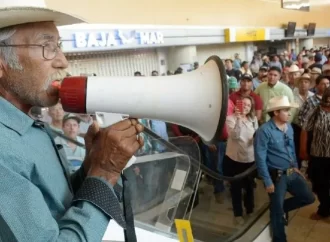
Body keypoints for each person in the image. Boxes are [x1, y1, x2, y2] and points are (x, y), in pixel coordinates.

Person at [0, 2, 144, 241]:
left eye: (59, 46)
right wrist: (105, 172)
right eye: (47, 47)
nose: (63, 62)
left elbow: (58, 204)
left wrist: (92, 165)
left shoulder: (30, 127)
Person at [254, 96, 315, 242]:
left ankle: (281, 209)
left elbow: (291, 149)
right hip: (277, 176)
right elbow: (260, 158)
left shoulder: (289, 128)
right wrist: (268, 181)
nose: (289, 113)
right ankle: (279, 238)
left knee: (309, 197)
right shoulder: (264, 131)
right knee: (276, 211)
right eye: (286, 110)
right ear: (275, 112)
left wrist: (295, 166)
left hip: (291, 172)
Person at [223, 96, 258, 225]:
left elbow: (256, 136)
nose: (246, 107)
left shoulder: (253, 119)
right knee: (236, 187)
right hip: (235, 159)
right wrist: (238, 119)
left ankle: (250, 209)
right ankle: (238, 213)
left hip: (250, 158)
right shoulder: (230, 119)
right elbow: (234, 136)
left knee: (249, 186)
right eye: (243, 104)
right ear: (238, 105)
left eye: (248, 105)